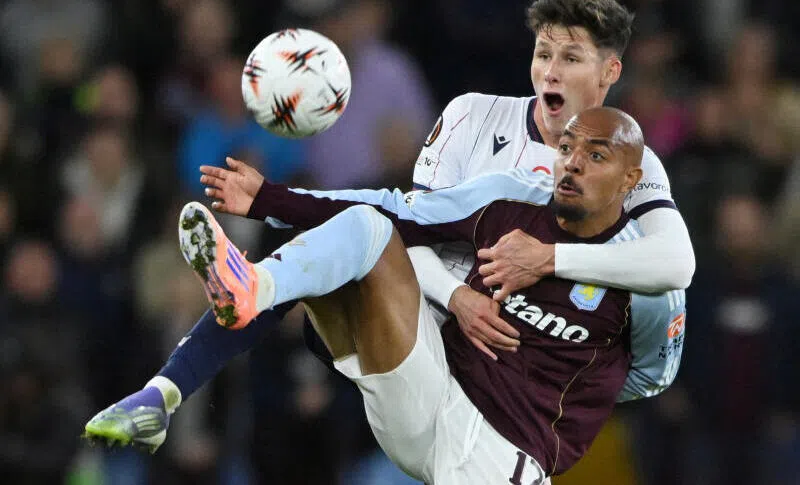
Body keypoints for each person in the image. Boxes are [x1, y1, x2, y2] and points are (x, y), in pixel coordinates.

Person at [84, 0, 693, 458]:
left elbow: (674, 264)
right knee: (360, 231)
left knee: (354, 236)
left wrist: (549, 267)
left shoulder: (631, 166)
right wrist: (456, 294)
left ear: (610, 72)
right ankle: (163, 392)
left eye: (571, 58)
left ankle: (250, 308)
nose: (550, 72)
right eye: (543, 54)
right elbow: (412, 224)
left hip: (502, 390)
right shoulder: (473, 117)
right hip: (421, 317)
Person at [172, 107, 686, 483]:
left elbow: (652, 376)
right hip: (432, 390)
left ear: (631, 179)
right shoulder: (508, 201)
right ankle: (254, 288)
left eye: (595, 155)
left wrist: (570, 389)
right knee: (369, 227)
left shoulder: (642, 277)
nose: (572, 164)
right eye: (567, 148)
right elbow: (400, 209)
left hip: (504, 456)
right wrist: (268, 199)